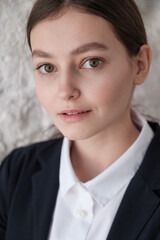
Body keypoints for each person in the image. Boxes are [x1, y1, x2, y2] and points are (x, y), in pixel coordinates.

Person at [0, 0, 160, 239]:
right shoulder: (15, 173)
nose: (65, 91)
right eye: (47, 67)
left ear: (140, 65)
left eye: (91, 62)